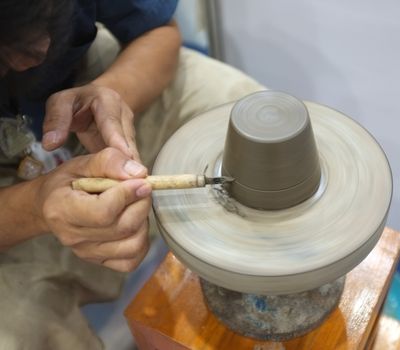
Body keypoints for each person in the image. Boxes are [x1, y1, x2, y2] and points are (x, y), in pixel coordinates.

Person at [0, 1, 263, 348]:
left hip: (83, 88)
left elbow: (159, 31)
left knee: (241, 116)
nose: (39, 54)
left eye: (50, 20)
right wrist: (35, 205)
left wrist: (117, 91)